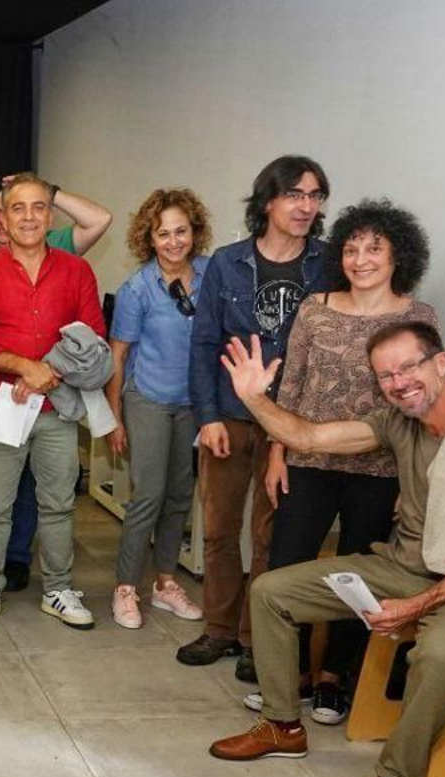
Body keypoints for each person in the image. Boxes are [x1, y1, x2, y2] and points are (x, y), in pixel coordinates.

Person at [209, 325, 445, 777]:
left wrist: (421, 603)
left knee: (437, 656)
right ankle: (281, 725)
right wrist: (255, 399)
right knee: (271, 590)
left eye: (408, 367)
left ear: (441, 363)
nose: (399, 382)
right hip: (401, 564)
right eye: (386, 374)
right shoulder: (397, 423)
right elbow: (310, 438)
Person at [251, 200, 438, 723]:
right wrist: (277, 453)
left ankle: (334, 677)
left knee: (359, 575)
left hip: (379, 470)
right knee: (287, 565)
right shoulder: (315, 307)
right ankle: (285, 681)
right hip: (308, 459)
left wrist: (413, 477)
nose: (360, 259)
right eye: (351, 249)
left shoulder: (417, 317)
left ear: (398, 255)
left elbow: (426, 403)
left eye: (373, 249)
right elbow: (291, 386)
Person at [179, 155, 330, 681]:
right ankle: (218, 629)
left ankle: (253, 638)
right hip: (228, 413)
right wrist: (206, 416)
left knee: (271, 535)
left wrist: (294, 429)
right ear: (268, 200)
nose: (306, 206)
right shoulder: (227, 261)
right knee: (219, 529)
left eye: (314, 196)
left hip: (288, 422)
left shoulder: (326, 265)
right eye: (295, 194)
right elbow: (203, 344)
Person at [0, 174, 106, 632]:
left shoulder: (76, 270)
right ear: (1, 215)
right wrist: (22, 366)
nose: (28, 217)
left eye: (38, 207)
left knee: (58, 503)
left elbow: (92, 335)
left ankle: (58, 588)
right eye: (17, 208)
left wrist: (44, 374)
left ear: (51, 215)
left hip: (57, 405)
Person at [104, 188, 211, 629]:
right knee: (148, 494)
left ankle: (165, 583)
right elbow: (118, 354)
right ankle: (125, 587)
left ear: (194, 232)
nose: (173, 242)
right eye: (163, 233)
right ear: (149, 238)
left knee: (179, 496)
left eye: (180, 232)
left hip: (194, 404)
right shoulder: (137, 288)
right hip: (147, 398)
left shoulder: (210, 275)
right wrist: (113, 417)